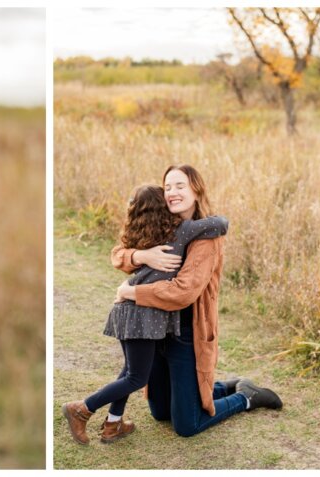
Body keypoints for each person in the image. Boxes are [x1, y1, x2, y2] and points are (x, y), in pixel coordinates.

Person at [109, 165, 282, 438]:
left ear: (196, 191)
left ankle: (246, 397)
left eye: (180, 186)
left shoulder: (206, 237)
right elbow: (118, 253)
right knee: (160, 413)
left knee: (186, 425)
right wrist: (143, 256)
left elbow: (183, 292)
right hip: (155, 328)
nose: (172, 193)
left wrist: (131, 292)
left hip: (186, 333)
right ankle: (219, 387)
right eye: (167, 187)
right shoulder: (161, 223)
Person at [61, 185, 228, 444]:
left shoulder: (139, 235)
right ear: (162, 207)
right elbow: (218, 224)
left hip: (126, 311)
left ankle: (113, 425)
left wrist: (140, 254)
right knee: (136, 377)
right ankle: (82, 409)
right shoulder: (180, 232)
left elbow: (119, 251)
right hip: (143, 315)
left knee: (130, 371)